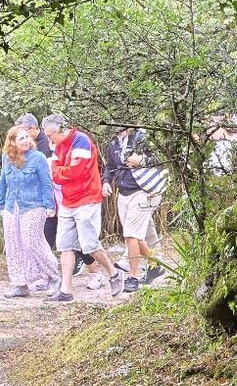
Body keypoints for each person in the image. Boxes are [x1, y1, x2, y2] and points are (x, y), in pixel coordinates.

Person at [41, 113, 124, 301]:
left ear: (60, 129)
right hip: (67, 201)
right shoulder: (58, 146)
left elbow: (76, 171)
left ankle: (113, 273)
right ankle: (66, 290)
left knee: (89, 245)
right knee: (65, 246)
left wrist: (61, 171)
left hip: (87, 199)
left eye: (50, 135)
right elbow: (54, 173)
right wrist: (62, 171)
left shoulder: (81, 141)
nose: (48, 139)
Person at [0, 125, 61, 297]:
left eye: (27, 137)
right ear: (12, 142)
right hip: (12, 206)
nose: (26, 141)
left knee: (32, 242)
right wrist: (0, 204)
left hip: (34, 205)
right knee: (13, 245)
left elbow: (47, 183)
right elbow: (3, 181)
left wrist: (50, 206)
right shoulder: (7, 158)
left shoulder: (38, 158)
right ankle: (21, 284)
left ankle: (54, 276)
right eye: (21, 138)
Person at [105, 127, 164, 294]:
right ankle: (155, 265)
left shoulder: (142, 137)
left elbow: (161, 159)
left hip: (142, 191)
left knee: (130, 235)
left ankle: (133, 277)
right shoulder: (114, 141)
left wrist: (142, 160)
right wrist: (106, 181)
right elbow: (110, 165)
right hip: (123, 192)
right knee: (136, 236)